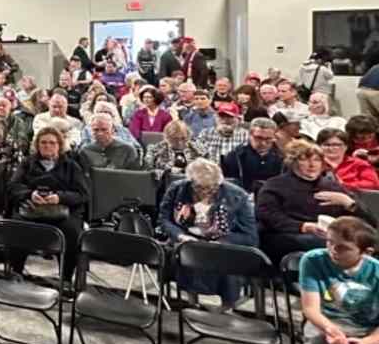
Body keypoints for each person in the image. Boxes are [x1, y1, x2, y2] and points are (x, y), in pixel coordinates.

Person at [256, 139, 377, 265]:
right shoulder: (275, 185)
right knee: (327, 244)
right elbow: (267, 216)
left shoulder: (333, 186)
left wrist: (348, 203)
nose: (312, 165)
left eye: (316, 160)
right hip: (288, 235)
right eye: (304, 160)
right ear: (292, 163)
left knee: (365, 241)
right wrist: (303, 226)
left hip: (332, 235)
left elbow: (370, 223)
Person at [297, 217, 379, 344]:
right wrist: (330, 330)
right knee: (317, 339)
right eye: (330, 242)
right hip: (328, 319)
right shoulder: (313, 260)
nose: (333, 250)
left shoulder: (376, 272)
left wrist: (370, 342)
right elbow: (310, 309)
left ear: (366, 252)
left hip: (368, 326)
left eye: (343, 247)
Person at [160, 158, 258, 309]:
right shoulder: (177, 189)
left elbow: (250, 236)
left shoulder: (238, 196)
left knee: (223, 260)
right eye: (199, 188)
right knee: (184, 254)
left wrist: (220, 242)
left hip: (222, 244)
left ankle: (227, 307)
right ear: (190, 182)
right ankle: (192, 303)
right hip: (185, 241)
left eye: (212, 188)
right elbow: (164, 220)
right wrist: (180, 236)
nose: (206, 193)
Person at [6, 127, 90, 285]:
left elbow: (82, 195)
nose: (47, 146)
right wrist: (30, 194)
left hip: (62, 211)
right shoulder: (27, 163)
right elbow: (12, 187)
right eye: (43, 142)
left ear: (59, 145)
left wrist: (59, 197)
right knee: (16, 226)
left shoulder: (71, 166)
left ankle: (65, 279)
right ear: (37, 145)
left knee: (71, 232)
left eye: (52, 143)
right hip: (32, 209)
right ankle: (16, 272)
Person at [219, 116, 283, 194]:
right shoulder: (235, 156)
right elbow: (228, 185)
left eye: (268, 139)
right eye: (258, 138)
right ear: (250, 135)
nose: (263, 143)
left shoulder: (281, 157)